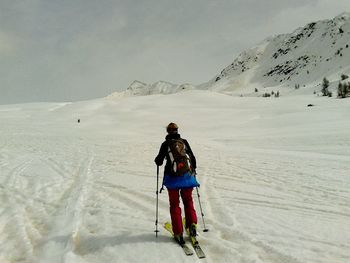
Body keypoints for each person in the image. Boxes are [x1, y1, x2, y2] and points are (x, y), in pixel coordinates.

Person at [154, 122, 199, 244]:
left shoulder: (165, 144)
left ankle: (178, 232)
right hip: (187, 178)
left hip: (172, 179)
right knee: (188, 201)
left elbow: (159, 161)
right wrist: (193, 170)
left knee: (174, 205)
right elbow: (193, 158)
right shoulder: (183, 141)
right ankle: (192, 226)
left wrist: (158, 160)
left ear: (168, 131)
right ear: (177, 130)